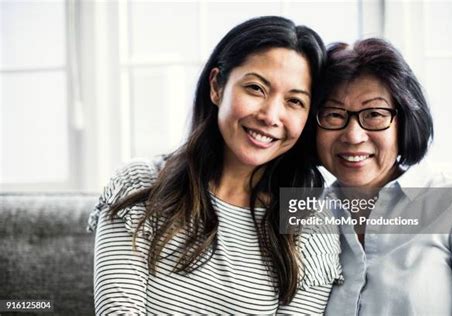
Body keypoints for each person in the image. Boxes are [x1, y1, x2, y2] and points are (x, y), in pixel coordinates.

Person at [87, 16, 343, 314]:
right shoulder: (139, 184)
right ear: (216, 87)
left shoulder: (309, 220)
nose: (271, 115)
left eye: (294, 101)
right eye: (256, 88)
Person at [315, 38, 452, 315]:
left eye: (374, 114)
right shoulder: (301, 214)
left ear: (406, 120)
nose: (353, 136)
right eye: (333, 115)